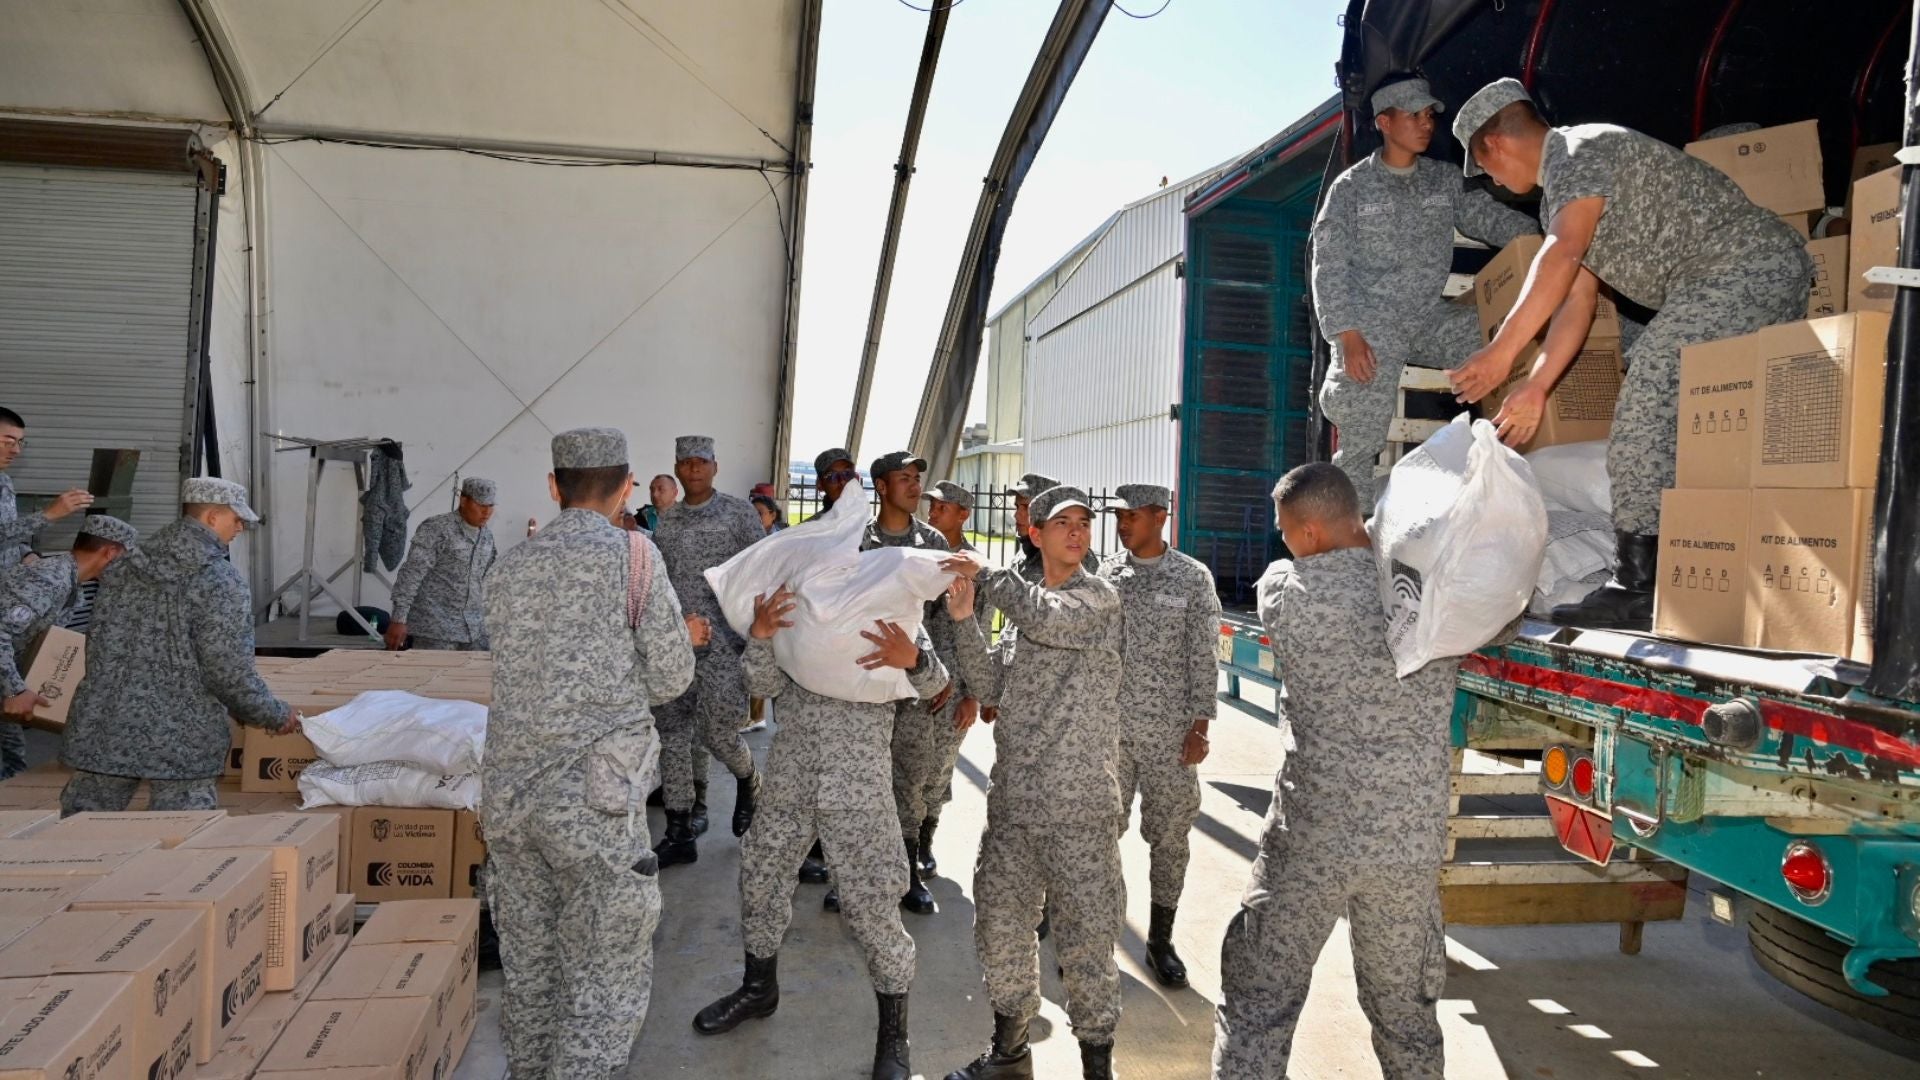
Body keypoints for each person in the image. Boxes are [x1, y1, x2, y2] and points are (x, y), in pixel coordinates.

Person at [1446, 77, 1811, 629]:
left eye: (1488, 173)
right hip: (1729, 277)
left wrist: (1502, 352)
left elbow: (1563, 254)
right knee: (1698, 412)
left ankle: (1640, 585)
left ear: (1492, 146)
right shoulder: (1565, 194)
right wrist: (1536, 386)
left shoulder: (1578, 150)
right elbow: (1578, 299)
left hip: (1744, 267)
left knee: (1649, 383)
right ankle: (1704, 562)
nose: (1497, 184)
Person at [1211, 464, 1456, 1080]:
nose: (1282, 543)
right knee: (1407, 1016)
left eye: (1287, 532)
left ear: (1313, 533)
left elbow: (1280, 574)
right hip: (1406, 845)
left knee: (1259, 1002)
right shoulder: (1436, 601)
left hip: (1313, 838)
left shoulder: (1284, 594)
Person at [482, 427, 703, 1077]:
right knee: (603, 980)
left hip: (510, 798)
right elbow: (667, 679)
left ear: (555, 487)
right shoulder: (635, 557)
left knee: (530, 973)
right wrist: (680, 641)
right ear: (627, 486)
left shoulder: (510, 564)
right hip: (594, 805)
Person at [691, 587, 948, 1080]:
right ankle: (758, 989)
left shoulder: (890, 611)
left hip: (859, 785)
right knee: (760, 878)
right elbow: (760, 683)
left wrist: (912, 658)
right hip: (792, 774)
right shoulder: (801, 610)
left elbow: (937, 683)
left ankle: (894, 1036)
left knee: (872, 905)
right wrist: (763, 637)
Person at [942, 485, 1126, 1080]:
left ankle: (1097, 1064)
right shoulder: (1024, 610)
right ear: (1035, 533)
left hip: (1079, 809)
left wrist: (985, 571)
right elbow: (988, 689)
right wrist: (966, 621)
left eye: (1084, 523)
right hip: (1017, 804)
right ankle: (1010, 1049)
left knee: (1086, 945)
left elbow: (1045, 617)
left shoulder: (1096, 600)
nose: (1076, 532)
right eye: (1061, 523)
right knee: (999, 926)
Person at [1311, 76, 1541, 511]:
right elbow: (1328, 264)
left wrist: (1547, 238)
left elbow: (1491, 219)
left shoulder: (1443, 181)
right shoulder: (1352, 189)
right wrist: (1346, 334)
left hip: (1428, 317)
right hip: (1371, 324)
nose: (1425, 123)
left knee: (1512, 339)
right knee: (1360, 420)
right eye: (1413, 115)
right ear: (1384, 122)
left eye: (1429, 114)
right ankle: (1350, 527)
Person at [59, 479, 297, 814]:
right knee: (181, 851)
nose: (241, 526)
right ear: (212, 517)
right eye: (236, 518)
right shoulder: (219, 581)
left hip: (105, 726)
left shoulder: (123, 566)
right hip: (182, 742)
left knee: (79, 839)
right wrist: (272, 714)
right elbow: (227, 671)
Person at [1098, 483, 1221, 989]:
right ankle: (1094, 936)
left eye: (1131, 516)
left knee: (1169, 839)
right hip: (1112, 733)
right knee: (1099, 832)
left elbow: (1203, 654)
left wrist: (1200, 725)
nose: (1122, 525)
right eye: (1119, 517)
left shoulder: (1192, 578)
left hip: (1171, 737)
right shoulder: (1107, 574)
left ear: (1158, 517)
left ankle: (1160, 940)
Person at [833, 450, 951, 917]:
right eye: (903, 478)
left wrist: (941, 678)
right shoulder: (857, 541)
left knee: (910, 781)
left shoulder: (932, 541)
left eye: (917, 477)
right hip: (863, 681)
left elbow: (943, 623)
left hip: (915, 682)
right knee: (859, 780)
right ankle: (849, 876)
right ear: (880, 486)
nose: (914, 485)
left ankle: (908, 875)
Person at [651, 435, 766, 865]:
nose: (694, 469)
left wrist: (755, 640)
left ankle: (748, 776)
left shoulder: (738, 514)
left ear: (715, 467)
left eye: (702, 462)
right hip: (677, 645)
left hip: (723, 645)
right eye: (686, 463)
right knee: (674, 735)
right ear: (678, 470)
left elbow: (760, 572)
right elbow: (660, 582)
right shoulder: (669, 520)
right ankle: (679, 829)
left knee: (718, 733)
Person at [0, 515, 136, 774]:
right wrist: (16, 691)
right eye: (127, 558)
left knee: (13, 764)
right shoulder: (49, 580)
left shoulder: (73, 586)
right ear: (110, 552)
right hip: (6, 681)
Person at [909, 481, 981, 880]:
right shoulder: (918, 553)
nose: (933, 512)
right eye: (931, 505)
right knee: (907, 765)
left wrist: (971, 693)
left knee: (939, 767)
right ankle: (901, 842)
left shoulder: (974, 564)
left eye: (942, 507)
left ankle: (924, 841)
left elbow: (980, 632)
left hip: (954, 684)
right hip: (912, 674)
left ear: (963, 514)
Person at [384, 477, 498, 651]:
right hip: (436, 631)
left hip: (475, 632)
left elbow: (489, 579)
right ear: (464, 500)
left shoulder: (487, 537)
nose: (487, 512)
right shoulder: (437, 528)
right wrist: (399, 619)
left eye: (491, 506)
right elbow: (412, 573)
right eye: (481, 505)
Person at [0, 407, 93, 570]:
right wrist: (49, 515)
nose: (16, 450)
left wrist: (26, 554)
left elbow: (9, 532)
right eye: (8, 442)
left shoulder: (4, 480)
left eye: (20, 442)